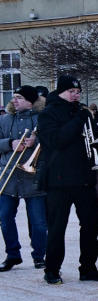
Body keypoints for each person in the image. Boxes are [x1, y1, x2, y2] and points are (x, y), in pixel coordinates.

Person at [35, 75, 98, 285]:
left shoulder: (83, 112)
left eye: (78, 92)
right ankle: (52, 269)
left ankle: (88, 267)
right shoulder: (48, 113)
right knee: (57, 227)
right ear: (61, 92)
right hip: (59, 180)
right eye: (71, 92)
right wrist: (78, 121)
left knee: (90, 226)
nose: (76, 95)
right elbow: (55, 140)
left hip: (85, 178)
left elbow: (92, 139)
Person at [0, 86, 47, 272]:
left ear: (30, 101)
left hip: (33, 176)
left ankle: (39, 255)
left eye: (19, 97)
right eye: (14, 97)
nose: (14, 100)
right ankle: (13, 254)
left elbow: (52, 142)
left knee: (38, 221)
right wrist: (9, 143)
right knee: (5, 218)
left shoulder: (42, 119)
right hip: (9, 175)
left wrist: (36, 142)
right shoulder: (5, 119)